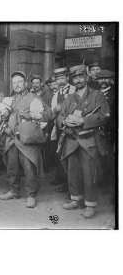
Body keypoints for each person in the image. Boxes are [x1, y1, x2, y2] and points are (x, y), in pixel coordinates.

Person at [57, 65, 110, 218]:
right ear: (71, 80)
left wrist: (83, 120)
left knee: (89, 173)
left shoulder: (97, 95)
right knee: (73, 172)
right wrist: (65, 121)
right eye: (75, 77)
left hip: (89, 140)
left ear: (86, 77)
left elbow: (104, 116)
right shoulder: (69, 98)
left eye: (81, 77)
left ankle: (90, 204)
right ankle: (76, 199)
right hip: (71, 140)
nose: (78, 80)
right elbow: (60, 116)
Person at [0, 71, 53, 208]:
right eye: (14, 82)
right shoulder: (10, 99)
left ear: (26, 84)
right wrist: (4, 115)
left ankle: (31, 195)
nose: (17, 85)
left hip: (27, 139)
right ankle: (14, 190)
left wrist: (33, 115)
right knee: (12, 166)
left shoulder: (34, 98)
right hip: (11, 137)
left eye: (20, 82)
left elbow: (48, 114)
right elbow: (4, 116)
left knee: (29, 168)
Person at [50, 67, 75, 191]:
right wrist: (55, 110)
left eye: (62, 77)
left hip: (73, 129)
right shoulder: (55, 95)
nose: (60, 80)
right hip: (60, 129)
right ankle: (64, 181)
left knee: (72, 157)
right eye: (58, 78)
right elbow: (52, 112)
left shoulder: (74, 90)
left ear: (67, 78)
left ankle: (72, 186)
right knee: (61, 155)